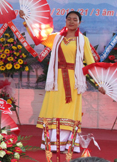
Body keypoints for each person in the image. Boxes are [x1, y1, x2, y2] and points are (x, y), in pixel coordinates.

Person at [19, 10, 105, 152]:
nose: (71, 22)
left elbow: (90, 64)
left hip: (73, 81)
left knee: (69, 111)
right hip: (56, 81)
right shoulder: (56, 37)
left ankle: (68, 144)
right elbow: (38, 38)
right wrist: (26, 20)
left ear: (79, 23)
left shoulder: (83, 40)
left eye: (75, 19)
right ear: (65, 21)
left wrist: (99, 83)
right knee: (54, 109)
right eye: (69, 19)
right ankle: (52, 144)